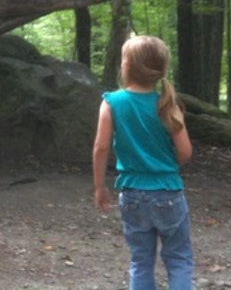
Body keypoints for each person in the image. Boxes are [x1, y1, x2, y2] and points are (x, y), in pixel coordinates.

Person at [92, 35, 194, 290]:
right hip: (168, 192)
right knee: (179, 260)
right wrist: (168, 167)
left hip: (132, 194)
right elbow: (185, 151)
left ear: (126, 66)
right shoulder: (167, 104)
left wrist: (99, 186)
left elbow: (101, 147)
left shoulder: (111, 103)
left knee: (141, 261)